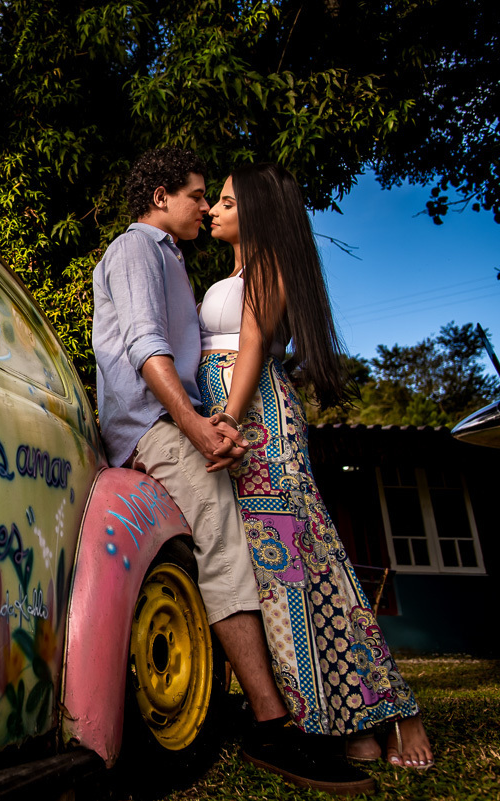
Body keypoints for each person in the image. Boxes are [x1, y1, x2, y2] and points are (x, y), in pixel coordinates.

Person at [93, 148, 375, 794]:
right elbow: (146, 350)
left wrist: (212, 422)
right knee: (222, 538)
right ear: (162, 196)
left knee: (230, 547)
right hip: (152, 427)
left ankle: (270, 703)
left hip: (181, 422)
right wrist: (196, 426)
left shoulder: (172, 261)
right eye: (198, 195)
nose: (205, 207)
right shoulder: (137, 250)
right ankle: (271, 723)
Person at [200, 161, 434, 770]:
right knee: (270, 575)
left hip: (258, 422)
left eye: (226, 201)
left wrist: (226, 415)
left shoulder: (269, 263)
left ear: (255, 209)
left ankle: (390, 707)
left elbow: (251, 344)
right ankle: (340, 717)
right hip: (238, 419)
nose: (214, 210)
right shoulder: (232, 272)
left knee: (300, 569)